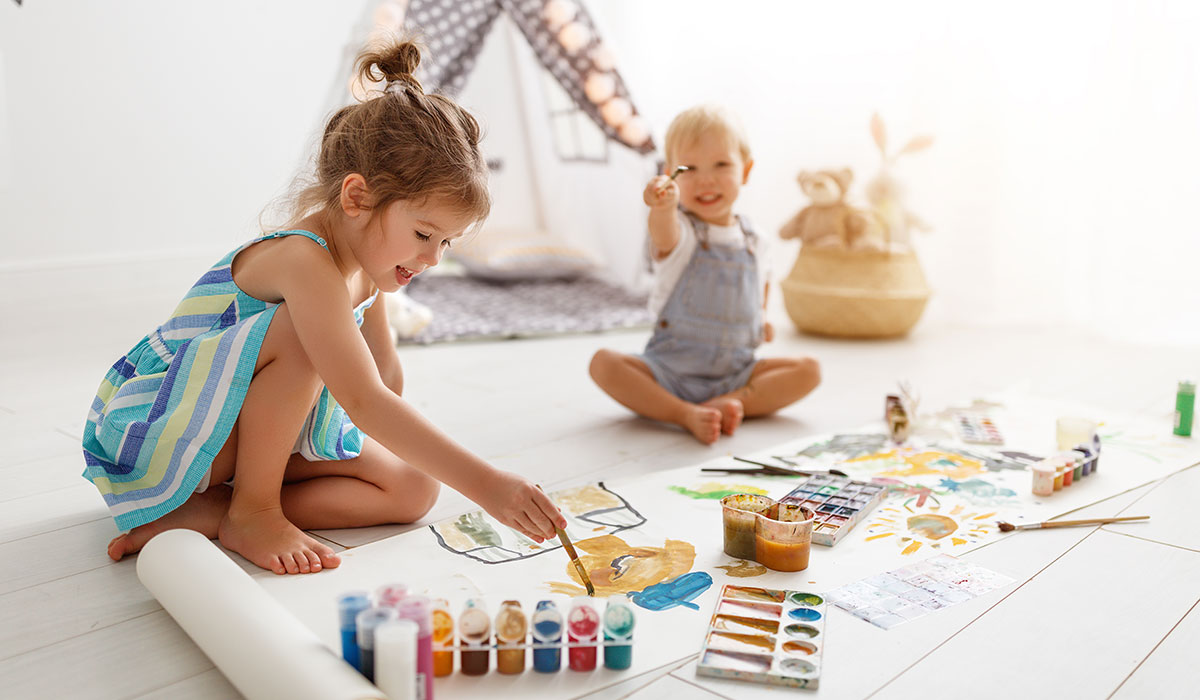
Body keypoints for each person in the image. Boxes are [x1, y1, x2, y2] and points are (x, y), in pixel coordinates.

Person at [81, 40, 566, 575]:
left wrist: (395, 450)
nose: (432, 258)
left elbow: (383, 385)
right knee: (296, 333)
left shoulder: (367, 270)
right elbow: (364, 399)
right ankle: (253, 511)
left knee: (414, 488)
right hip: (163, 429)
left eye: (446, 243)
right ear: (357, 198)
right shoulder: (303, 260)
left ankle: (217, 509)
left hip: (233, 441)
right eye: (424, 234)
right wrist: (487, 484)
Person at [589, 105, 820, 444]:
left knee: (809, 370)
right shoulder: (681, 232)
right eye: (689, 168)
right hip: (669, 372)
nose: (706, 179)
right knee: (604, 364)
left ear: (746, 170)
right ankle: (682, 413)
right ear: (671, 175)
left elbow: (762, 280)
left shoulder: (757, 240)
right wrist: (662, 207)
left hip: (736, 373)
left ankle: (728, 402)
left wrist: (761, 319)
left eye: (722, 165)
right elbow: (663, 232)